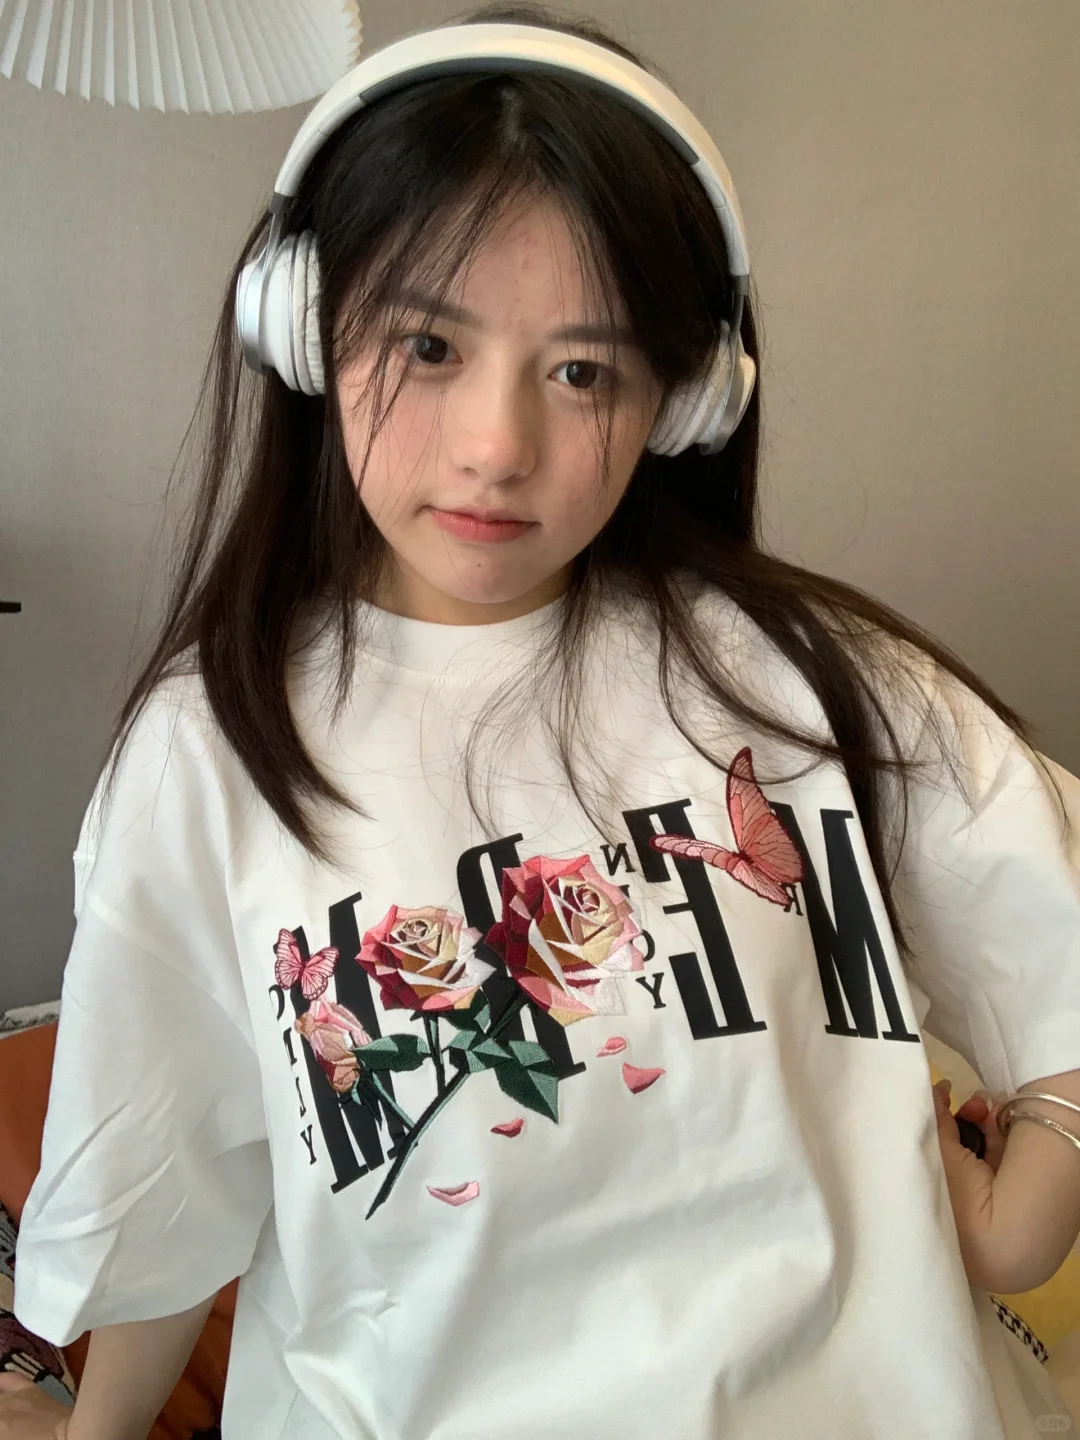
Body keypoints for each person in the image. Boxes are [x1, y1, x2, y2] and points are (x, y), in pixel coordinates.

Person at [5, 4, 1080, 1437]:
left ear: (683, 400)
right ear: (305, 326)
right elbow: (163, 1181)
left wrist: (1026, 1217)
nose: (496, 446)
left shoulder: (801, 678)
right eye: (427, 343)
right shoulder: (211, 750)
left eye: (583, 371)